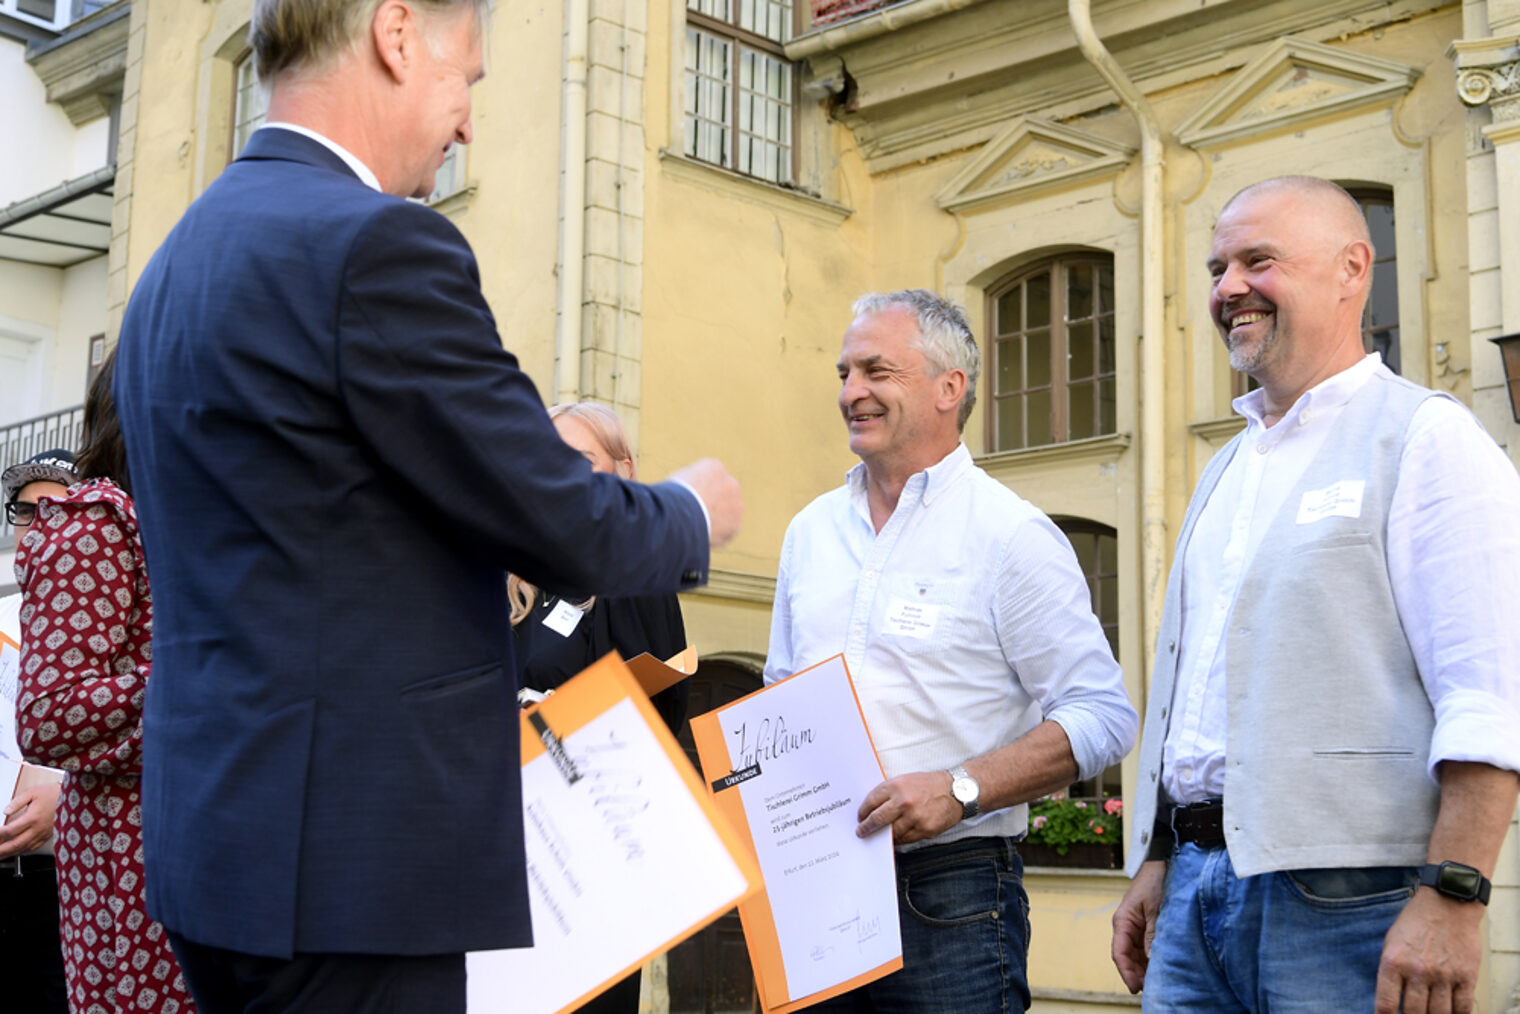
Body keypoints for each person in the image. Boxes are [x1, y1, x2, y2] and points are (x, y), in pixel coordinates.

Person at [110, 1, 742, 1011]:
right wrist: (691, 512)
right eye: (467, 80)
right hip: (352, 872)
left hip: (213, 855)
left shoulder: (176, 261)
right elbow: (558, 516)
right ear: (396, 36)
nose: (468, 125)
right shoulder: (375, 245)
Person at [1110, 176, 1520, 1014]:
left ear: (1352, 269)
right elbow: (1194, 700)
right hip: (1191, 897)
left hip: (1352, 904)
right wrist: (1157, 859)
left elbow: (1491, 690)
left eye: (1258, 261)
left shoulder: (1427, 437)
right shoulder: (1228, 468)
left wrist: (1456, 892)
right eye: (1218, 268)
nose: (1229, 287)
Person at [764, 289, 1137, 1013]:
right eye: (844, 373)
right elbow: (783, 701)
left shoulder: (1011, 535)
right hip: (816, 887)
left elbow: (1104, 716)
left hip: (952, 894)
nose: (850, 392)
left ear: (948, 387)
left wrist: (959, 789)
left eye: (876, 371)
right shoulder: (809, 532)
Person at [14, 358, 198, 1014]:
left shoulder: (186, 524)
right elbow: (49, 715)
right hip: (135, 858)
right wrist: (213, 677)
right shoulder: (95, 525)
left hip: (209, 843)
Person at [510, 402, 690, 1014]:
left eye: (581, 460)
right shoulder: (513, 582)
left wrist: (557, 717)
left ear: (623, 471)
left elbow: (655, 714)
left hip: (589, 853)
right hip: (508, 843)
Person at [1, 449, 76, 1014]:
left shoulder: (131, 621)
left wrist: (68, 800)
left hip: (74, 882)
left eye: (55, 507)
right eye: (25, 510)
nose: (36, 522)